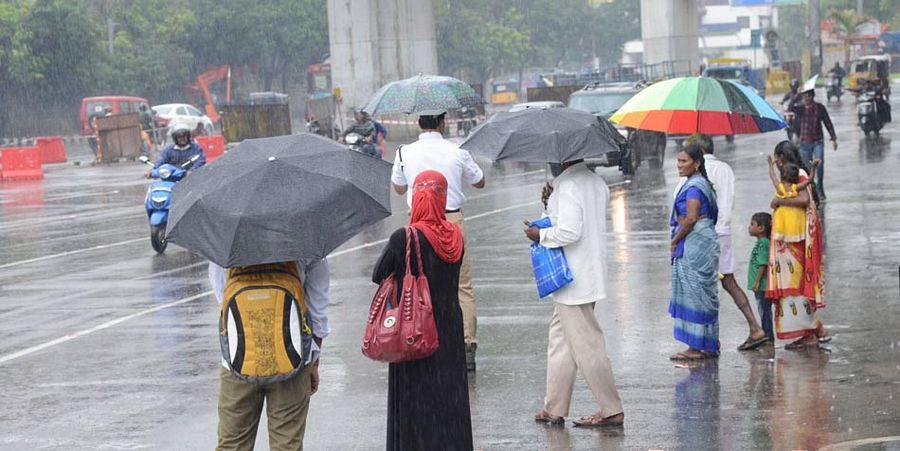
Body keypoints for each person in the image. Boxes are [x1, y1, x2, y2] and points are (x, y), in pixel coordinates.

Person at [373, 171, 473, 450]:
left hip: (414, 327)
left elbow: (378, 273)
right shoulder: (455, 236)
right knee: (448, 396)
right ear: (442, 200)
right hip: (449, 327)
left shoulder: (403, 237)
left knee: (416, 397)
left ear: (416, 198)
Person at [525, 159, 625, 428]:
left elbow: (569, 231)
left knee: (588, 346)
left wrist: (539, 235)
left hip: (574, 280)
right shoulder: (595, 181)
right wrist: (550, 202)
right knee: (561, 341)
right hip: (587, 275)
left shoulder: (568, 185)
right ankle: (554, 407)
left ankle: (611, 409)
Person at [391, 110, 485, 371]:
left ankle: (423, 340)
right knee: (461, 286)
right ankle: (467, 344)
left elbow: (398, 188)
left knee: (419, 284)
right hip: (452, 221)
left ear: (417, 123)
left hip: (418, 224)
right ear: (443, 122)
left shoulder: (403, 152)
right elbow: (479, 181)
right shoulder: (458, 150)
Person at [208, 258, 330, 450]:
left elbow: (223, 299)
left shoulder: (225, 241)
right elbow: (318, 307)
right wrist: (314, 358)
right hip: (293, 356)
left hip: (238, 357)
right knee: (286, 444)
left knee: (232, 444)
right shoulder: (304, 238)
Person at [674, 134, 768, 351]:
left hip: (702, 235)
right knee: (728, 281)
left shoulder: (695, 178)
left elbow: (688, 212)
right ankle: (755, 327)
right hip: (722, 230)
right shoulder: (725, 168)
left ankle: (700, 343)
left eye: (683, 159)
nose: (680, 164)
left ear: (695, 157)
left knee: (698, 288)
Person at [766, 141, 826, 350]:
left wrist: (778, 201)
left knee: (797, 286)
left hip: (796, 241)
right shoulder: (792, 174)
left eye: (777, 158)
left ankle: (809, 332)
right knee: (793, 287)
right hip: (791, 238)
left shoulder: (797, 173)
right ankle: (810, 330)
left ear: (782, 157)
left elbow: (803, 199)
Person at [669, 144, 720, 361]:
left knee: (695, 294)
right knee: (703, 293)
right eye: (678, 161)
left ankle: (696, 347)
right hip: (705, 242)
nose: (679, 165)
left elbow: (691, 218)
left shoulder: (694, 188)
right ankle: (708, 344)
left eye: (684, 161)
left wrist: (675, 240)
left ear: (696, 163)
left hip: (694, 245)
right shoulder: (699, 183)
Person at [788, 88, 837, 200]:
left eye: (808, 95)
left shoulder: (820, 108)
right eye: (804, 96)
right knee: (807, 170)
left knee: (819, 165)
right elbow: (790, 107)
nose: (806, 98)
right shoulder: (800, 108)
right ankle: (812, 190)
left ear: (813, 96)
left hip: (818, 141)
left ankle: (820, 189)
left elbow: (827, 122)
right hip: (804, 143)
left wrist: (833, 138)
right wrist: (797, 94)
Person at [767, 158, 817, 243]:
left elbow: (772, 176)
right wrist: (813, 167)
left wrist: (770, 165)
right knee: (795, 234)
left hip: (782, 217)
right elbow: (809, 180)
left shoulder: (779, 188)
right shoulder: (796, 187)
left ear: (782, 176)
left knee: (783, 238)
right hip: (796, 216)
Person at [747, 212, 773, 342]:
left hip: (762, 285)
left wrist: (757, 282)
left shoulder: (763, 243)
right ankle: (767, 333)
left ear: (761, 228)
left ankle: (767, 335)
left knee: (764, 310)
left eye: (752, 224)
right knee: (763, 309)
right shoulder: (761, 243)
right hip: (761, 285)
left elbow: (763, 264)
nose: (749, 227)